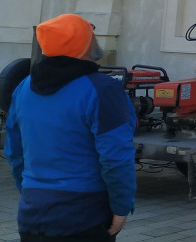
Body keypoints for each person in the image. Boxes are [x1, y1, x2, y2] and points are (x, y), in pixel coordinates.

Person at [5, 14, 136, 241]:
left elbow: (15, 152)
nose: (95, 40)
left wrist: (31, 192)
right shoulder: (103, 89)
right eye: (90, 35)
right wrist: (121, 206)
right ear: (82, 45)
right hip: (85, 215)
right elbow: (116, 157)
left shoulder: (24, 87)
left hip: (33, 214)